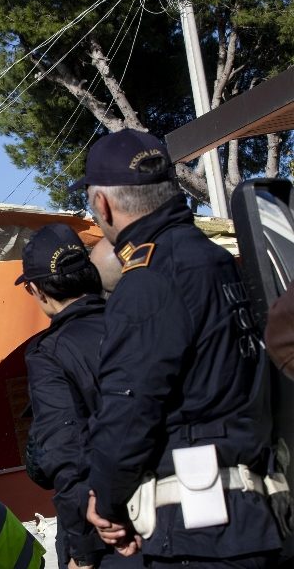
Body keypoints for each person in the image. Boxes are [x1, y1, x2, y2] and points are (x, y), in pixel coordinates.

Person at [74, 129, 282, 567]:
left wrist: (107, 503)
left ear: (102, 204)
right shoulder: (215, 260)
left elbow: (127, 408)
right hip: (255, 519)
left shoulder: (149, 279)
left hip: (201, 534)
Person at [18, 224, 140, 569]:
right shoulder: (139, 323)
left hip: (109, 532)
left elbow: (67, 454)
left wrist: (81, 554)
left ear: (37, 290)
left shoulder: (49, 353)